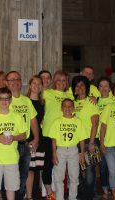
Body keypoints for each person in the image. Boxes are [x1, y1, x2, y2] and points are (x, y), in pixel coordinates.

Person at [0, 87, 26, 200]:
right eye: (1, 99)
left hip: (11, 158)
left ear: (11, 100)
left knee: (11, 188)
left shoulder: (17, 117)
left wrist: (13, 138)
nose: (4, 102)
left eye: (7, 99)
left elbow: (23, 135)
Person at [5, 71, 39, 200]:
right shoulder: (4, 100)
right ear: (7, 83)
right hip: (10, 144)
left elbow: (33, 120)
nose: (14, 82)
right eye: (11, 80)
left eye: (17, 79)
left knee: (23, 175)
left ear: (20, 82)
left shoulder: (26, 100)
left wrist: (36, 138)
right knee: (10, 175)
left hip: (25, 144)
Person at [42, 70, 73, 200]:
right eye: (58, 80)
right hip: (49, 134)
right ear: (54, 82)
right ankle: (50, 193)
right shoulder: (47, 93)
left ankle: (65, 192)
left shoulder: (71, 94)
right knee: (48, 164)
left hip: (66, 135)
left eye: (64, 80)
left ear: (67, 83)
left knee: (64, 166)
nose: (61, 83)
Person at [51, 98, 86, 200]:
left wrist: (82, 153)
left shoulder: (78, 122)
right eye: (65, 106)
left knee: (74, 177)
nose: (67, 108)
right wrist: (54, 154)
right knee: (59, 178)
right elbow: (54, 139)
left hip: (73, 150)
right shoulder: (57, 122)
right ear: (61, 108)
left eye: (70, 106)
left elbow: (82, 139)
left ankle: (72, 198)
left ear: (73, 108)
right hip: (60, 150)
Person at [71, 75, 99, 200]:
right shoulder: (73, 103)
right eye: (77, 86)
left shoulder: (91, 102)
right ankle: (82, 195)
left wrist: (92, 143)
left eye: (82, 85)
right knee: (78, 172)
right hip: (76, 142)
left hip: (90, 141)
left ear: (87, 87)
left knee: (89, 172)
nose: (80, 88)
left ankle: (89, 196)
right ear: (74, 89)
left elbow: (95, 124)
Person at [25, 75, 45, 200]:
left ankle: (42, 194)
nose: (37, 86)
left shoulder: (44, 102)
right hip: (28, 137)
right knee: (29, 169)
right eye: (34, 83)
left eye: (39, 84)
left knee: (39, 168)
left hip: (40, 137)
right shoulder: (24, 100)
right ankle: (29, 196)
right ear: (30, 85)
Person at [97, 77, 115, 199]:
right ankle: (104, 189)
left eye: (106, 86)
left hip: (113, 138)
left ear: (110, 88)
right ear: (98, 88)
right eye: (101, 86)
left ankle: (114, 188)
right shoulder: (94, 101)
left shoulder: (114, 100)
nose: (103, 88)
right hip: (99, 139)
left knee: (113, 166)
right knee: (102, 165)